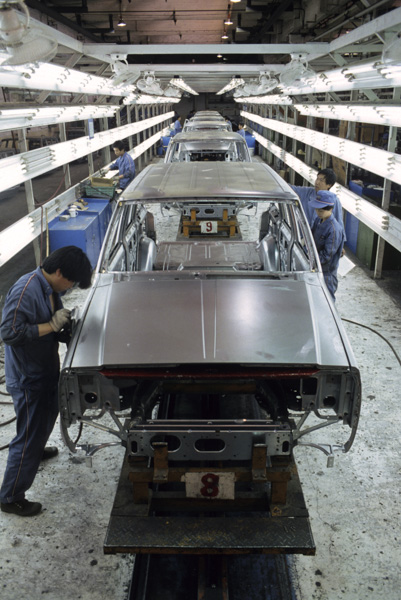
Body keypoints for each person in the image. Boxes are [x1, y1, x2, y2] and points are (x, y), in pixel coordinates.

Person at [0, 246, 92, 517]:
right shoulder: (25, 290)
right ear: (59, 271)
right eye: (72, 281)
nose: (71, 286)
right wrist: (51, 327)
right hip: (29, 378)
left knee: (45, 418)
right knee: (28, 435)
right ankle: (10, 495)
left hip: (44, 370)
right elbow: (9, 333)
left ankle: (36, 449)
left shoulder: (50, 290)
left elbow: (46, 328)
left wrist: (65, 329)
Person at [310, 190, 345, 301]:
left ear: (330, 208)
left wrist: (309, 261)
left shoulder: (334, 229)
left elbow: (326, 256)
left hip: (326, 275)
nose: (318, 212)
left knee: (327, 304)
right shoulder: (318, 220)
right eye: (316, 209)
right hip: (316, 269)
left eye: (321, 210)